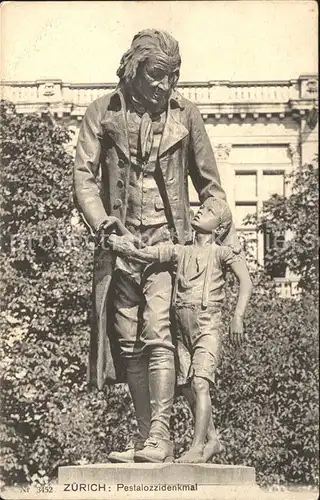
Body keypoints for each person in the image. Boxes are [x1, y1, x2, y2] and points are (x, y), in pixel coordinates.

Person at [73, 29, 239, 464]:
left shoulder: (187, 115)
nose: (166, 86)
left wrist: (212, 237)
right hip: (121, 244)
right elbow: (85, 180)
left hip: (169, 247)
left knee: (158, 334)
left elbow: (212, 190)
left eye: (173, 77)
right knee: (127, 342)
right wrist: (106, 226)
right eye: (156, 77)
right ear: (134, 70)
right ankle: (150, 439)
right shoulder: (101, 112)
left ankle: (162, 436)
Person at [109, 197, 253, 463]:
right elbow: (144, 251)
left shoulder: (222, 252)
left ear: (219, 227)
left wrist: (238, 316)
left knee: (200, 383)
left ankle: (198, 447)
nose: (201, 211)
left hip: (207, 325)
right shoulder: (180, 251)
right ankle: (213, 440)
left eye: (209, 211)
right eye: (203, 206)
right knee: (187, 386)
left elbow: (246, 281)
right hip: (182, 328)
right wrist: (119, 230)